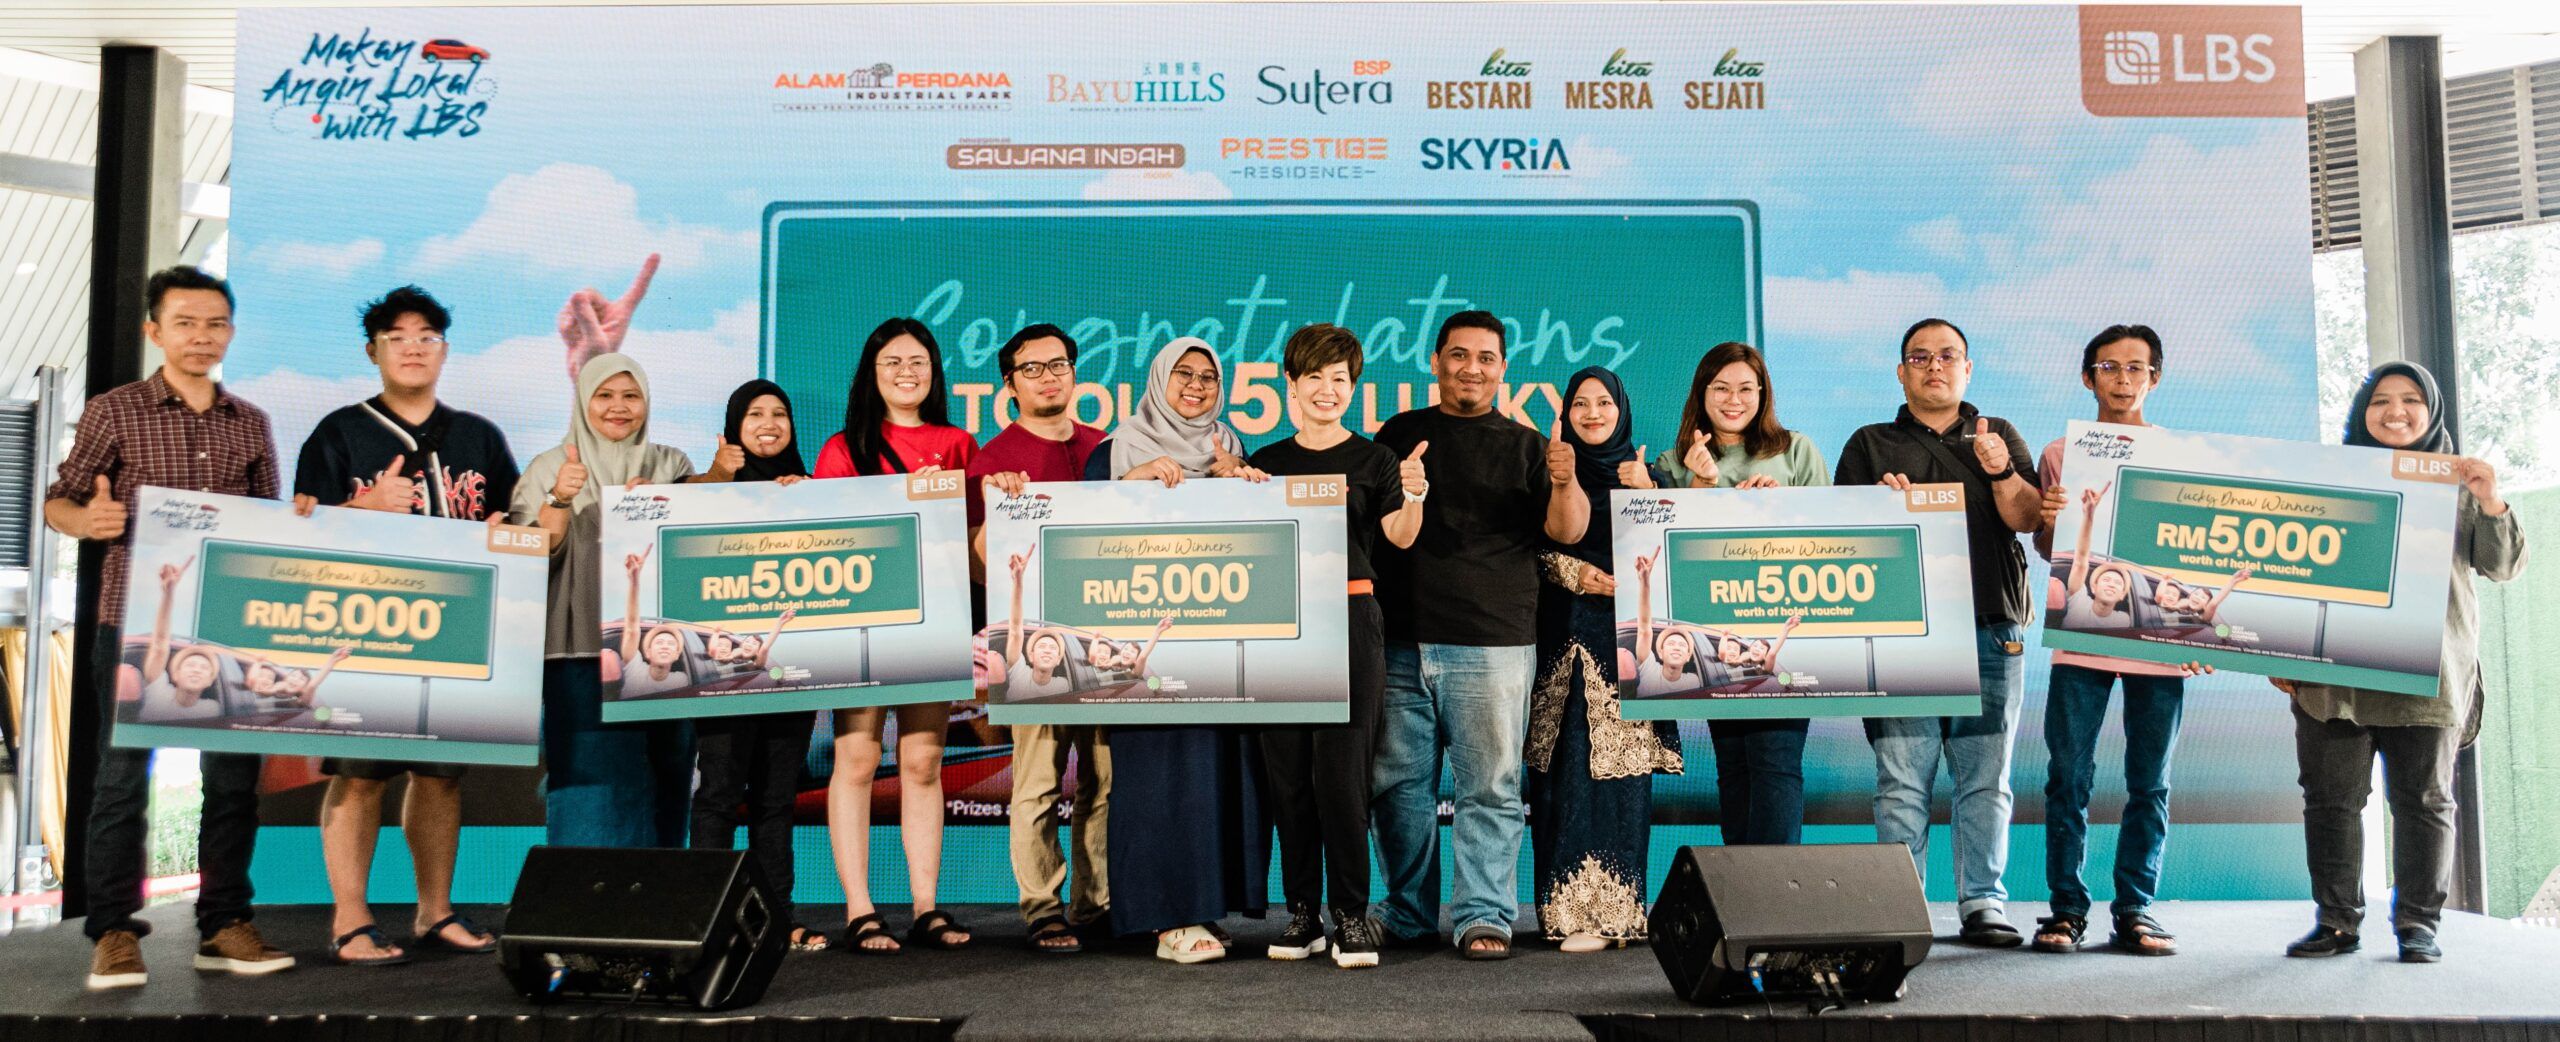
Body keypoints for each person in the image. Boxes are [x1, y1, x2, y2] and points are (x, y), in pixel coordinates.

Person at [43, 265, 295, 989]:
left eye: (215, 324)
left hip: (228, 626)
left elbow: (265, 525)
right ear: (155, 331)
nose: (201, 336)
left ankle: (224, 924)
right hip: (131, 621)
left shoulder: (251, 420)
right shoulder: (114, 411)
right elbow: (59, 501)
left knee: (233, 782)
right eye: (185, 323)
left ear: (232, 333)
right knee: (123, 781)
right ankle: (114, 932)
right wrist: (85, 520)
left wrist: (296, 524)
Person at [291, 285, 517, 966]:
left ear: (444, 350)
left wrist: (508, 531)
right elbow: (299, 534)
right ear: (373, 351)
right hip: (365, 626)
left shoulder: (478, 435)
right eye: (397, 337)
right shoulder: (339, 432)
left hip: (455, 626)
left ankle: (434, 910)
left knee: (440, 775)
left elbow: (512, 523)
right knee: (361, 775)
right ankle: (350, 918)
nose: (413, 348)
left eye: (427, 337)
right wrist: (364, 507)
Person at [2277, 362, 2524, 964]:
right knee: (2330, 802)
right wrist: (2279, 649)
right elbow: (2289, 569)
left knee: (2424, 802)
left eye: (2410, 399)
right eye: (2380, 400)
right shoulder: (2326, 481)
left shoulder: (2460, 482)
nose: (2395, 411)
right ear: (2360, 413)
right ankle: (2337, 921)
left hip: (2426, 674)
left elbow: (2502, 566)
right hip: (2334, 675)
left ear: (2431, 411)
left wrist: (2490, 499)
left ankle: (2418, 924)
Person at [1370, 310, 1590, 960]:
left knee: (1491, 788)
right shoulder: (1398, 435)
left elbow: (1569, 531)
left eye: (1486, 357)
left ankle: (1483, 915)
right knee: (1397, 790)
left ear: (1503, 369)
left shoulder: (1529, 446)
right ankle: (1407, 914)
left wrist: (1564, 479)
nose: (1472, 368)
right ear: (1435, 362)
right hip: (1400, 641)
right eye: (1459, 355)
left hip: (1494, 643)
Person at [1832, 318, 2043, 948]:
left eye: (1948, 356)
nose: (1935, 367)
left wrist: (2001, 472)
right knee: (1902, 780)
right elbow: (1839, 535)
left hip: (1991, 626)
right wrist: (1878, 505)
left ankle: (1983, 902)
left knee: (1986, 778)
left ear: (1967, 368)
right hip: (1901, 636)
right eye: (1920, 357)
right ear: (1901, 372)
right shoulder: (1869, 443)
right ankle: (1903, 907)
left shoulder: (1998, 433)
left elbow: (2027, 518)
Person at [2026, 324, 2218, 957]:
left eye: (2137, 368)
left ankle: (2136, 909)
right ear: (2089, 378)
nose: (2123, 378)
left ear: (2154, 378)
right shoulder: (2062, 453)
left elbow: (2201, 548)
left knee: (2150, 781)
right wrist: (2050, 521)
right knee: (2067, 777)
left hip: (2160, 643)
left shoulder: (2182, 454)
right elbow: (2052, 553)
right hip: (2083, 640)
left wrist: (2202, 636)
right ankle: (2066, 910)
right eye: (2110, 367)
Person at [1082, 336, 1272, 964]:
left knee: (1219, 775)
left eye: (1207, 377)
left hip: (1219, 648)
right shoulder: (1116, 451)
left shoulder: (1231, 447)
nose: (1195, 385)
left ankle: (1204, 907)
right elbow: (1077, 541)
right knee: (1159, 776)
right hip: (1144, 655)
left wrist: (1246, 484)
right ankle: (1165, 918)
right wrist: (1125, 488)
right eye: (1183, 374)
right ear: (1158, 380)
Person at [1246, 324, 1419, 969]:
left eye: (1340, 379)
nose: (1327, 390)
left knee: (1342, 778)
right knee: (1289, 778)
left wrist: (1415, 490)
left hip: (1350, 613)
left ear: (1353, 387)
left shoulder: (1376, 460)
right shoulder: (1264, 464)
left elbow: (1401, 537)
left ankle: (1350, 912)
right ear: (1290, 384)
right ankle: (1302, 913)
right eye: (1314, 377)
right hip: (1278, 624)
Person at [815, 319, 977, 955]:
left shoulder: (958, 443)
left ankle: (926, 906)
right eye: (893, 362)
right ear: (872, 373)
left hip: (936, 618)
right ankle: (859, 908)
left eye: (918, 362)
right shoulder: (842, 449)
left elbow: (975, 542)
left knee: (922, 762)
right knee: (857, 760)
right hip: (862, 624)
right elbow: (825, 538)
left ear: (934, 372)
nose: (907, 373)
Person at [965, 324, 1111, 954]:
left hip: (1102, 638)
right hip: (1031, 646)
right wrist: (995, 512)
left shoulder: (1107, 446)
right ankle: (1042, 907)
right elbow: (978, 568)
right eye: (1033, 369)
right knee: (1037, 782)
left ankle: (1095, 903)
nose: (1048, 377)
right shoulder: (992, 459)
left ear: (1075, 373)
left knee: (1104, 781)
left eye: (1059, 365)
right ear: (1010, 384)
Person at [511, 353, 697, 848]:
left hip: (660, 651)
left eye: (631, 396)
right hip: (577, 651)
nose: (619, 407)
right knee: (589, 785)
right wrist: (558, 499)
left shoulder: (670, 463)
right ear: (582, 401)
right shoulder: (549, 466)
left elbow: (692, 549)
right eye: (605, 395)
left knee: (666, 776)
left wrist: (666, 504)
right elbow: (530, 556)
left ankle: (658, 891)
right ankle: (584, 892)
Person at [1527, 367, 1683, 953]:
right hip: (1562, 644)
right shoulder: (1548, 470)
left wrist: (1648, 494)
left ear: (1622, 411)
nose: (1592, 414)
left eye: (1604, 403)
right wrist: (1574, 572)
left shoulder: (1648, 474)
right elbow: (1529, 550)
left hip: (1628, 650)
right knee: (1562, 778)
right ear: (1565, 414)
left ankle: (1616, 916)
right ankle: (1564, 914)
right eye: (1580, 404)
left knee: (1620, 783)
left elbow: (1676, 557)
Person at [1652, 341, 1830, 846]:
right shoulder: (1674, 461)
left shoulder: (1796, 450)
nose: (1734, 400)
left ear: (1763, 394)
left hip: (1785, 635)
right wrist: (1704, 487)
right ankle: (1740, 889)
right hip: (1716, 638)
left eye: (1746, 389)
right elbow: (1664, 547)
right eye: (1721, 388)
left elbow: (1832, 533)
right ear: (1702, 393)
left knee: (1776, 760)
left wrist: (1782, 507)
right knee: (1732, 768)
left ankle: (1776, 888)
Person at [682, 379, 830, 952]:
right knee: (718, 794)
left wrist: (812, 503)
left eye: (780, 414)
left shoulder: (813, 493)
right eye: (754, 414)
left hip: (791, 673)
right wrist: (718, 477)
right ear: (732, 428)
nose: (769, 423)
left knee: (776, 800)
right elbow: (669, 525)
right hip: (723, 677)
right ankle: (708, 921)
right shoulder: (704, 490)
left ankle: (776, 921)